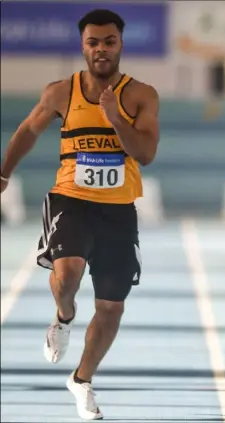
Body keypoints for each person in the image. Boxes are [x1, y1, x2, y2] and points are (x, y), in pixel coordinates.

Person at [0, 9, 160, 421]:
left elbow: (145, 153)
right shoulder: (61, 92)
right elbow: (28, 131)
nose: (101, 49)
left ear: (121, 44)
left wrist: (114, 117)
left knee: (111, 307)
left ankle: (82, 380)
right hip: (71, 199)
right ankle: (64, 316)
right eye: (93, 42)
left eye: (109, 41)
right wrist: (3, 174)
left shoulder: (141, 95)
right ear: (83, 46)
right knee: (67, 274)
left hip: (118, 211)